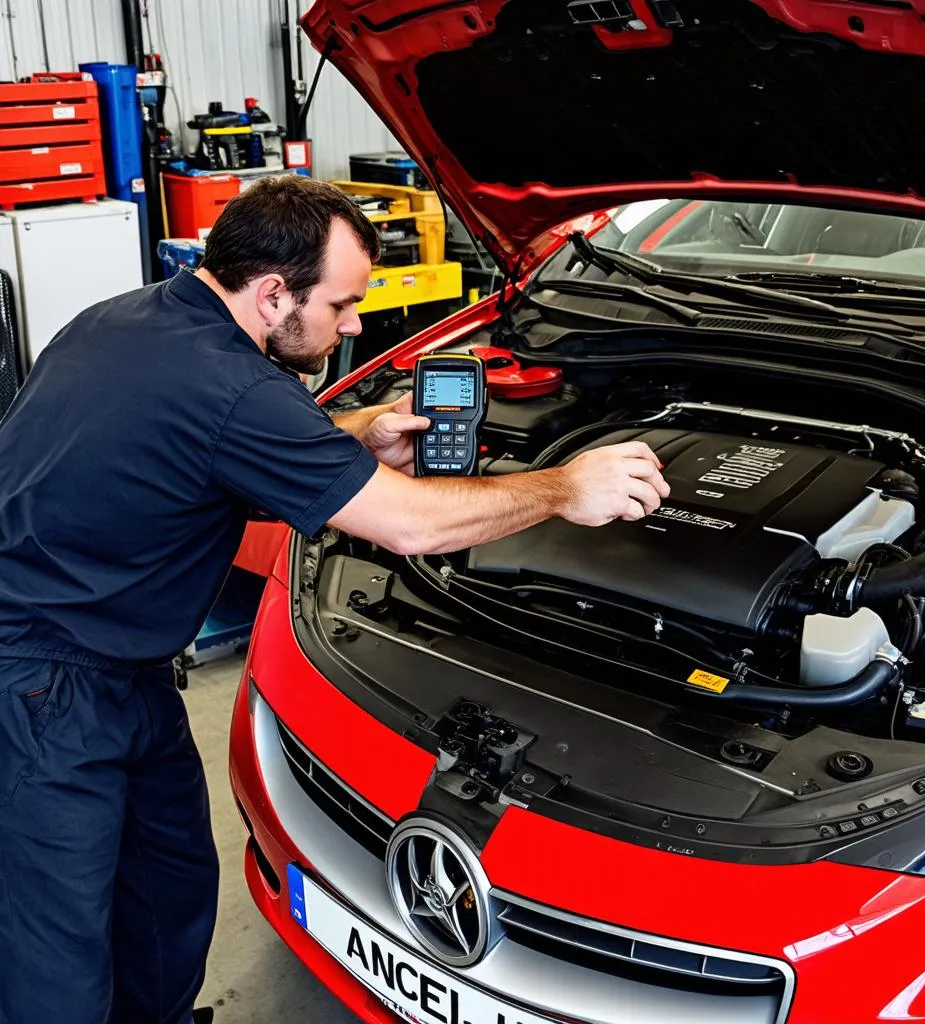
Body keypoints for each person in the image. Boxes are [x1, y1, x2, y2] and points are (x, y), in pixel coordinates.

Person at [0, 176, 669, 1024]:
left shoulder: (127, 319)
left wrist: (356, 435)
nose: (354, 326)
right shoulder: (237, 390)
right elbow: (414, 528)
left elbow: (199, 453)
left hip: (116, 668)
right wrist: (564, 487)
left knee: (165, 890)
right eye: (343, 304)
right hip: (42, 686)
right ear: (274, 292)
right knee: (51, 957)